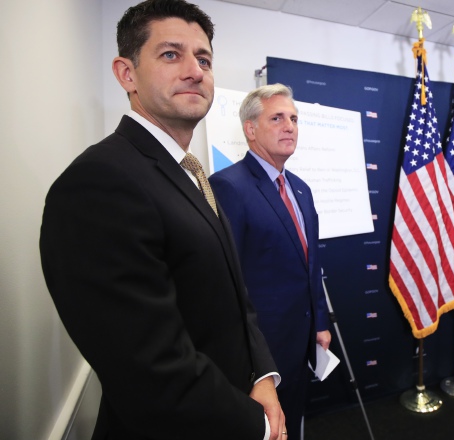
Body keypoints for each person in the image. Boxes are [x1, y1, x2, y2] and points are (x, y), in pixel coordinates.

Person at [39, 1, 286, 439]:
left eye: (204, 59)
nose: (195, 71)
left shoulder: (189, 173)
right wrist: (258, 427)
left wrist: (261, 375)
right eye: (171, 54)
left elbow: (232, 293)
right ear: (126, 73)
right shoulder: (99, 182)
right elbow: (150, 368)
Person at [209, 84, 331, 440]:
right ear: (250, 129)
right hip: (260, 355)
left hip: (301, 342)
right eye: (277, 118)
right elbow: (227, 283)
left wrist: (319, 323)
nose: (289, 126)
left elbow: (311, 265)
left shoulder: (301, 188)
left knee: (292, 423)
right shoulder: (228, 187)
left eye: (293, 118)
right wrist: (252, 361)